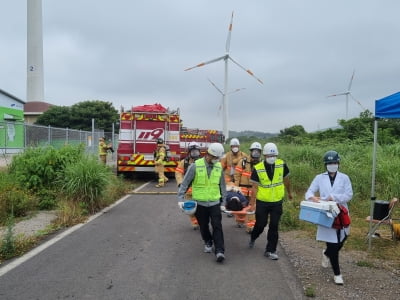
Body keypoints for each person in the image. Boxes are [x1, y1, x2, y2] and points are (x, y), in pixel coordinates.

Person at [305, 150, 353, 285]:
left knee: (342, 239)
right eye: (330, 163)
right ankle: (337, 274)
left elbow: (349, 195)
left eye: (334, 162)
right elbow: (309, 192)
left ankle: (326, 254)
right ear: (326, 165)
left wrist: (335, 197)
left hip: (341, 212)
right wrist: (312, 197)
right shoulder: (319, 178)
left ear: (338, 163)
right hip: (326, 213)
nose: (332, 165)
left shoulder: (344, 178)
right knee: (332, 242)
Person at [177, 142, 227, 263]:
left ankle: (220, 251)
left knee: (217, 226)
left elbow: (223, 186)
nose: (216, 160)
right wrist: (180, 199)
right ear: (208, 155)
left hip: (214, 202)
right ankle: (208, 241)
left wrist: (223, 202)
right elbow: (185, 183)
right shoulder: (195, 166)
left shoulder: (219, 167)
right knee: (203, 226)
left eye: (218, 158)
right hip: (200, 203)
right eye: (215, 158)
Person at [248, 142, 293, 260]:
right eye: (269, 156)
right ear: (264, 156)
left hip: (277, 202)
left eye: (274, 156)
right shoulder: (258, 168)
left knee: (274, 226)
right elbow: (254, 188)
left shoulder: (282, 165)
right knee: (260, 225)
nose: (272, 158)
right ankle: (253, 236)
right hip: (262, 202)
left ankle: (270, 250)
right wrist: (252, 204)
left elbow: (286, 180)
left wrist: (289, 193)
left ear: (277, 155)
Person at [175, 141, 202, 229]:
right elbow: (178, 173)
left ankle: (202, 221)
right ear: (189, 152)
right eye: (193, 152)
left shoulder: (203, 162)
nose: (195, 154)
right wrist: (180, 183)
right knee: (190, 209)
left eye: (196, 151)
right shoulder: (184, 162)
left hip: (201, 190)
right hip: (189, 191)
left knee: (202, 208)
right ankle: (195, 223)